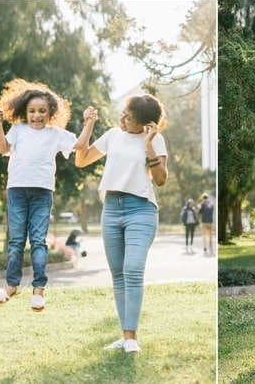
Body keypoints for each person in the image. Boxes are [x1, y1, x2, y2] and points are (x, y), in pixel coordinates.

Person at [0, 79, 95, 311]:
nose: (36, 116)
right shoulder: (18, 130)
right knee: (16, 241)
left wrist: (89, 122)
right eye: (32, 111)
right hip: (17, 191)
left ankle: (38, 290)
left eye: (42, 111)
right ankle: (11, 286)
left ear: (51, 113)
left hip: (42, 193)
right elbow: (3, 148)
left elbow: (80, 145)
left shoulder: (55, 134)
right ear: (24, 112)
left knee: (38, 240)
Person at [75, 94, 168, 354]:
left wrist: (148, 144)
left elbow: (161, 179)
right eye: (123, 113)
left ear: (145, 124)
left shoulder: (156, 139)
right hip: (111, 209)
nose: (123, 118)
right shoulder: (113, 135)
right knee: (118, 275)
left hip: (141, 209)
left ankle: (131, 339)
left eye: (129, 117)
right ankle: (126, 336)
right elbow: (81, 160)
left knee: (133, 269)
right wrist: (89, 124)